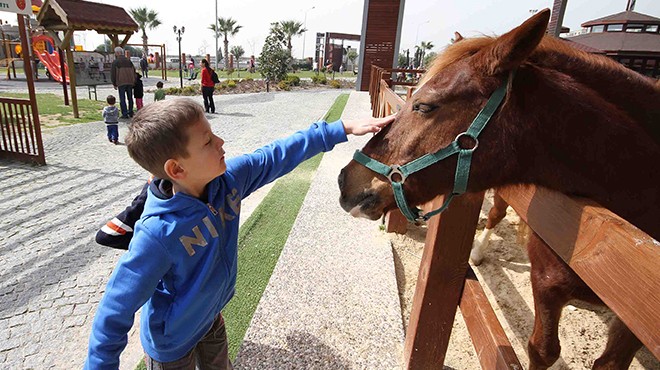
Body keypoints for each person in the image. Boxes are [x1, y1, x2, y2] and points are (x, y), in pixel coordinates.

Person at [83, 98, 394, 369]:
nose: (220, 142)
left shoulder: (228, 181)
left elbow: (275, 156)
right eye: (207, 142)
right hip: (172, 343)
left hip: (211, 319)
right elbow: (114, 311)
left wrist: (343, 128)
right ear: (177, 170)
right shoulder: (157, 235)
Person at [111, 46, 136, 118]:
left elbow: (113, 74)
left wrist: (114, 83)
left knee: (122, 99)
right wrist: (133, 80)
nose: (115, 54)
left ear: (118, 53)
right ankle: (130, 112)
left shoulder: (115, 62)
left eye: (116, 53)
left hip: (121, 82)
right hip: (130, 82)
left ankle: (124, 113)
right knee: (130, 98)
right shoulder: (129, 61)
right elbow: (134, 72)